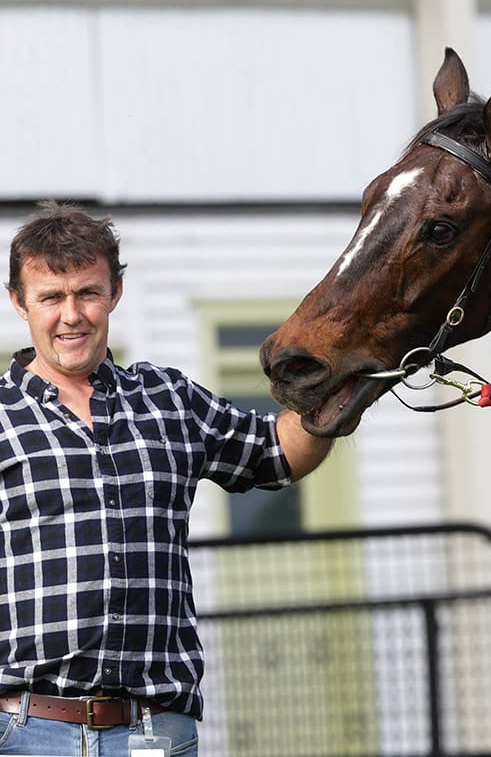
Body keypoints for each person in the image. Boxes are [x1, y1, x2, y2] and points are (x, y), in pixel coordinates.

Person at [0, 202, 334, 756]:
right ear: (19, 301)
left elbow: (277, 452)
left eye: (88, 293)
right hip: (27, 734)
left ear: (115, 292)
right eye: (51, 297)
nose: (72, 315)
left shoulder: (168, 400)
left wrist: (341, 387)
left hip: (154, 730)